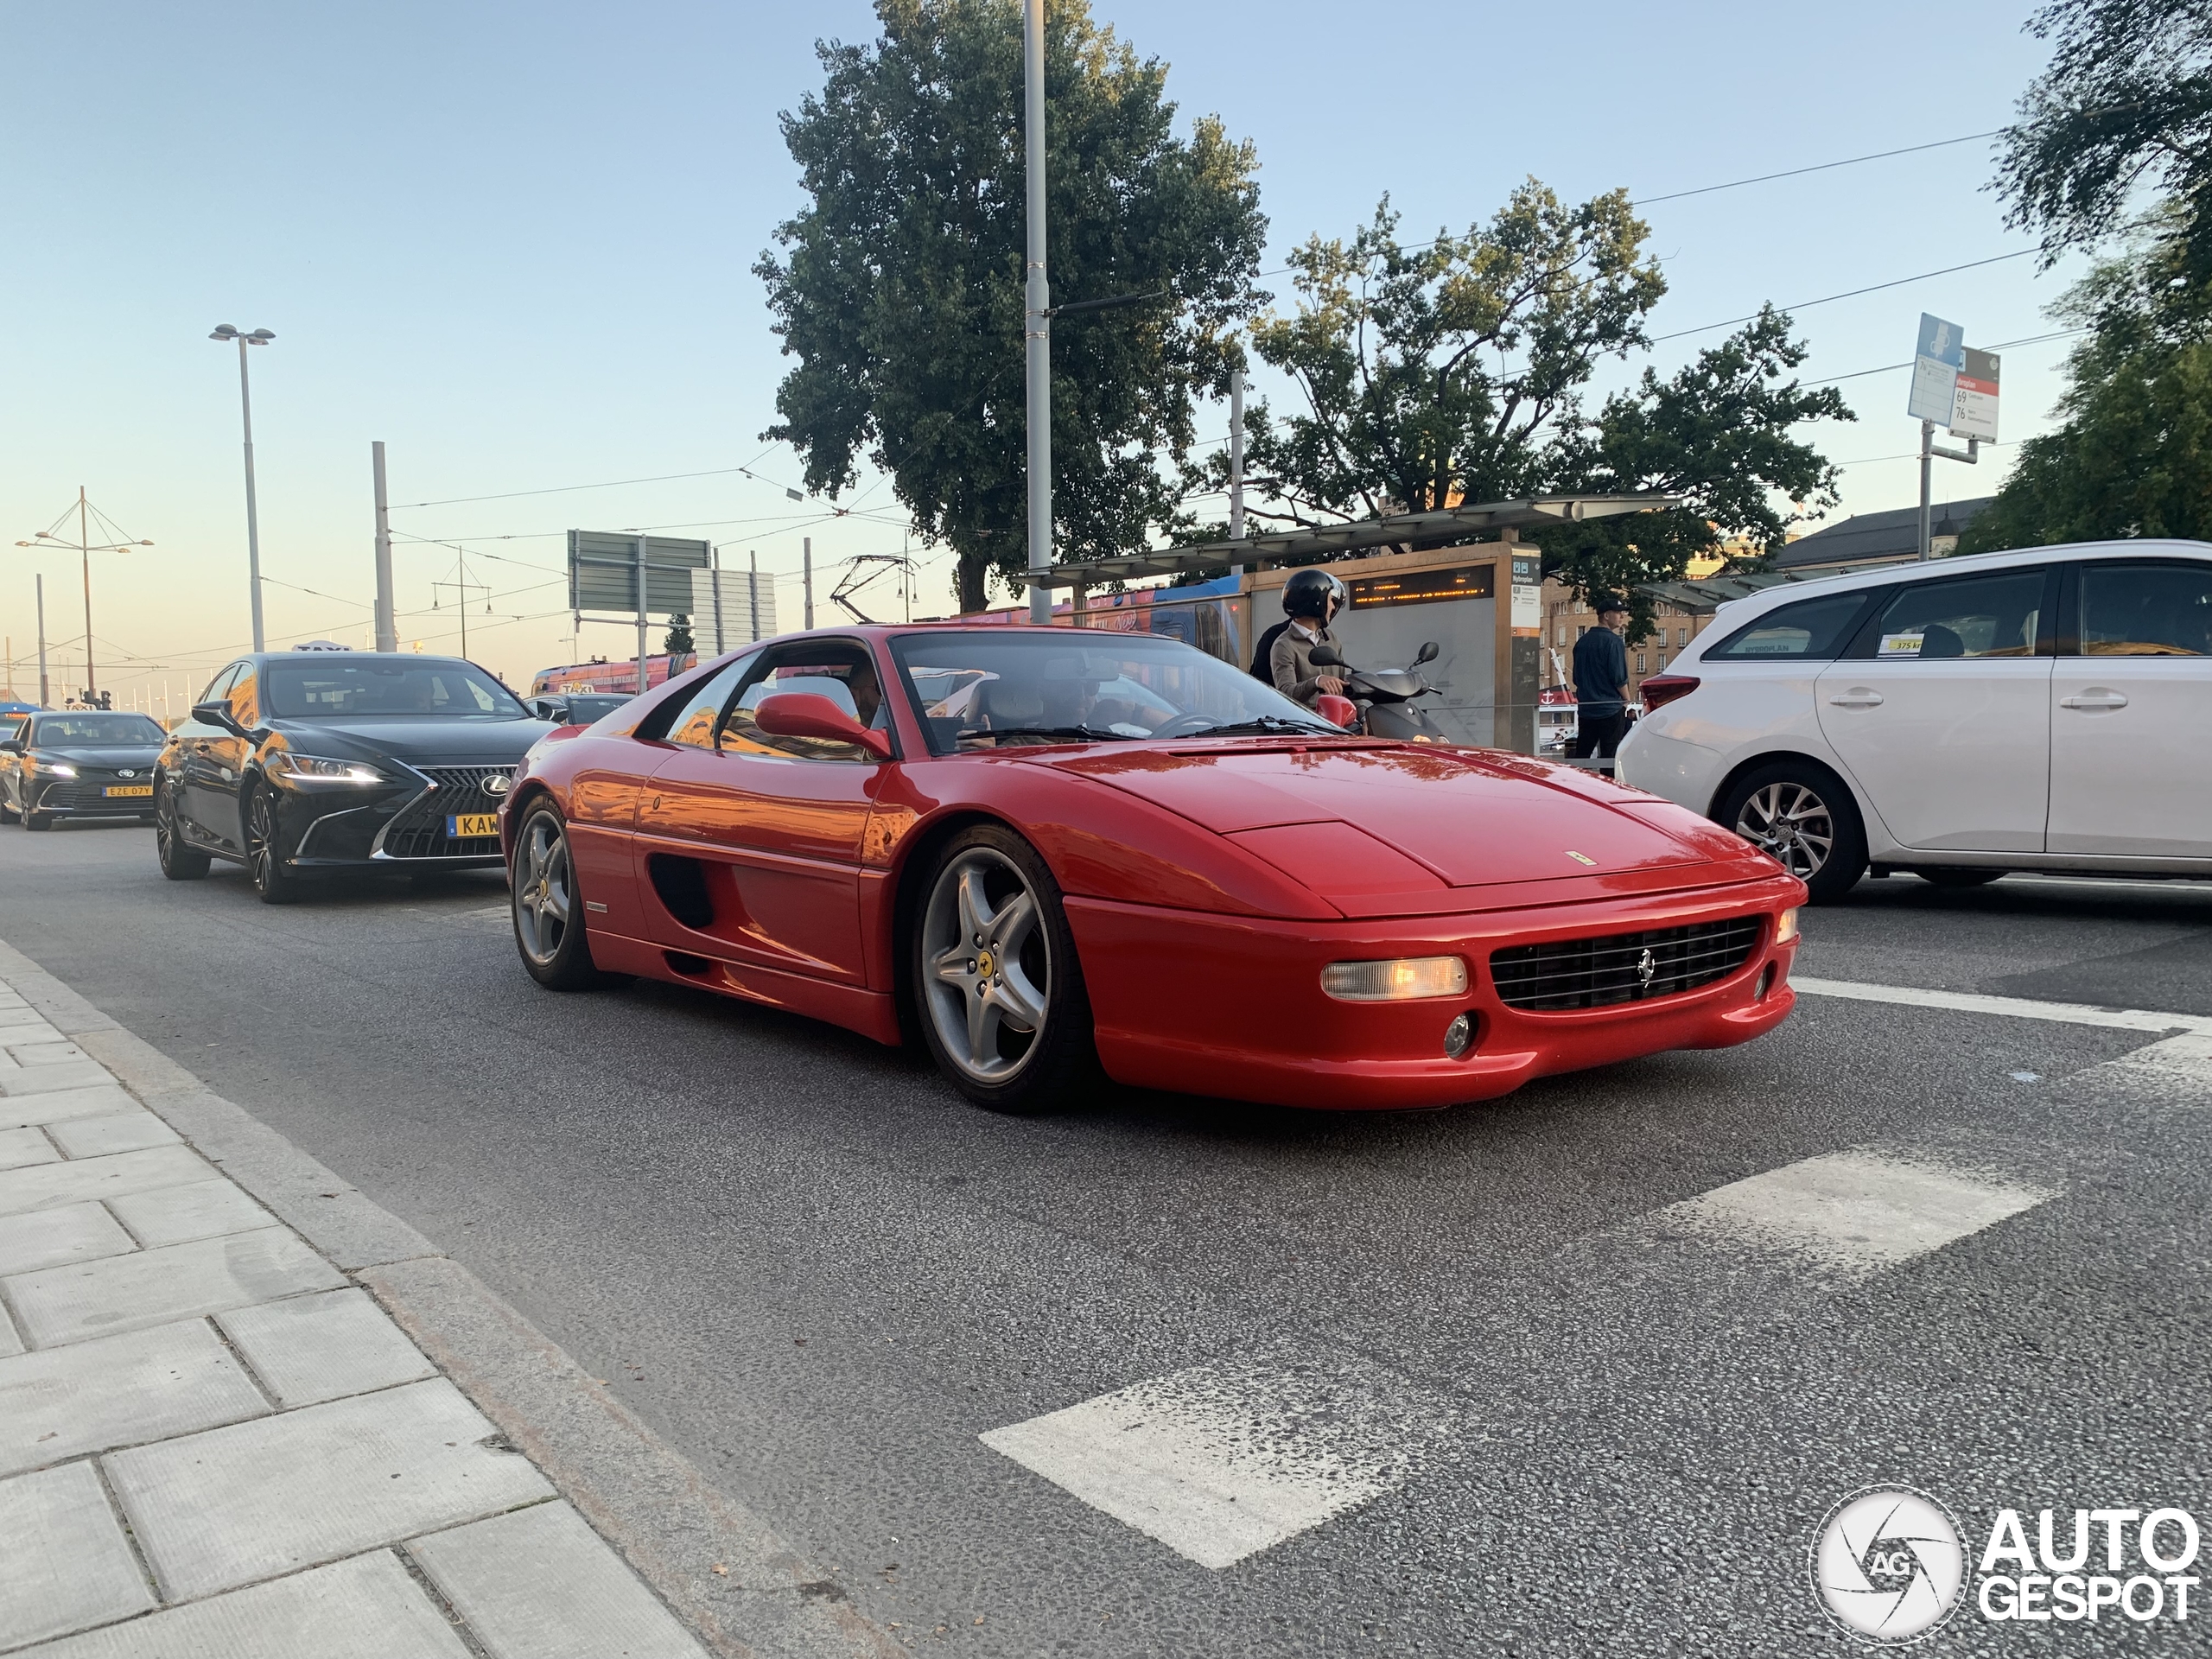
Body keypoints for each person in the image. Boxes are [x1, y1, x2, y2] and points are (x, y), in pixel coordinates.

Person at [1268, 569, 1351, 709]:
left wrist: (1363, 717)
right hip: (1308, 726)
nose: (1334, 607)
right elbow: (1285, 693)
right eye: (1331, 600)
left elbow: (1347, 686)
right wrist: (1317, 682)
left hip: (1339, 722)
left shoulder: (1331, 639)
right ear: (1317, 601)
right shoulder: (1284, 645)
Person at [1570, 597, 1632, 759]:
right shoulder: (1614, 642)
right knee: (1609, 757)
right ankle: (1606, 784)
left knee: (1582, 755)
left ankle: (1576, 783)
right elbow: (1618, 677)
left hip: (1587, 709)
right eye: (1618, 613)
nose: (1622, 616)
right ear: (1606, 616)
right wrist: (1626, 699)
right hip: (1610, 709)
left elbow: (1576, 678)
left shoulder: (1581, 643)